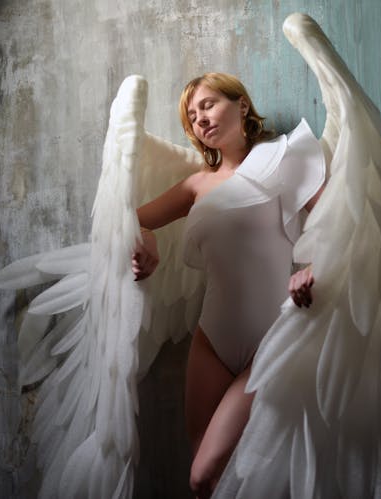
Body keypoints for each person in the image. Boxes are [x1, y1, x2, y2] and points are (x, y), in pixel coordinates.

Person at [131, 72, 324, 499]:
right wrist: (147, 241)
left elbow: (335, 220)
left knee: (204, 473)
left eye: (208, 104)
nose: (200, 118)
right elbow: (131, 218)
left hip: (275, 339)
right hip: (211, 343)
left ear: (241, 105)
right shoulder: (196, 184)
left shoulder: (283, 156)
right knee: (208, 487)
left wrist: (313, 267)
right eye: (191, 115)